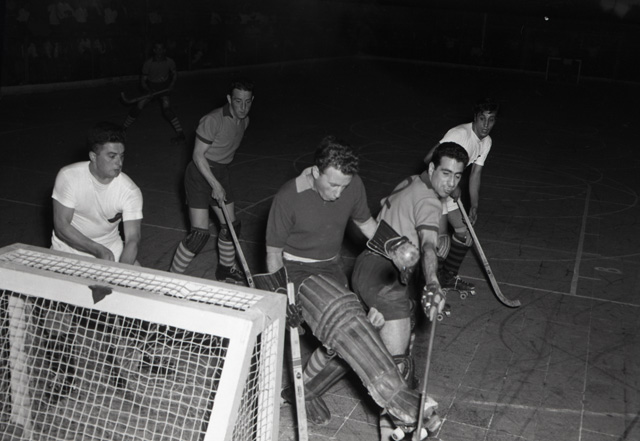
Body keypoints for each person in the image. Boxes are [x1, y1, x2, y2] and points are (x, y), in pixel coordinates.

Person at [265, 136, 439, 435]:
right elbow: (272, 254)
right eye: (333, 185)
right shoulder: (288, 196)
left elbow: (367, 224)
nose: (338, 193)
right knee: (345, 319)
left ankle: (303, 392)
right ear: (316, 172)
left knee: (350, 341)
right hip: (296, 269)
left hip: (331, 266)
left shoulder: (352, 184)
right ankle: (401, 401)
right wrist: (283, 295)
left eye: (344, 186)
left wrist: (393, 246)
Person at [352, 142, 469, 438]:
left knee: (358, 345)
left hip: (367, 267)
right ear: (432, 168)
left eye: (457, 176)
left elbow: (386, 209)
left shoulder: (412, 182)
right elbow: (428, 246)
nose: (451, 183)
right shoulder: (430, 202)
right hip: (386, 277)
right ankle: (401, 427)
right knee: (398, 366)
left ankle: (304, 391)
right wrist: (433, 282)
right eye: (446, 173)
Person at [169, 78, 254, 283]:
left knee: (231, 227)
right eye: (238, 101)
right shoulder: (213, 120)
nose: (242, 107)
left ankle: (225, 269)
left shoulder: (245, 121)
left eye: (247, 102)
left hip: (221, 172)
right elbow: (198, 155)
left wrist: (219, 180)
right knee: (199, 235)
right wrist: (214, 184)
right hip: (200, 174)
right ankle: (171, 279)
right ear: (229, 99)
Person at [423, 98, 499, 294]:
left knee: (465, 235)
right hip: (433, 188)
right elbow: (428, 159)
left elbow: (475, 174)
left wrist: (474, 204)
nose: (485, 125)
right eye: (482, 119)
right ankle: (431, 290)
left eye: (491, 120)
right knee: (441, 242)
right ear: (475, 117)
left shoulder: (486, 142)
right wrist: (450, 183)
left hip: (449, 187)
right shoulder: (459, 135)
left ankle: (447, 277)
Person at [51, 121, 143, 265]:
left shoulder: (130, 191)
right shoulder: (69, 176)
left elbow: (133, 239)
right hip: (66, 251)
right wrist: (98, 250)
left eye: (121, 156)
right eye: (112, 156)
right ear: (93, 157)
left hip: (112, 253)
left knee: (138, 276)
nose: (119, 163)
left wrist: (121, 270)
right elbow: (61, 226)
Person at [122, 41, 186, 145]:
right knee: (138, 107)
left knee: (167, 110)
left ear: (164, 50)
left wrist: (171, 84)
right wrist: (148, 90)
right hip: (151, 87)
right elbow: (143, 81)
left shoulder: (170, 62)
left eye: (161, 49)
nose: (159, 51)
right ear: (154, 50)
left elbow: (174, 74)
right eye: (157, 49)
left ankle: (181, 134)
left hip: (164, 88)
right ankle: (123, 129)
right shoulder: (148, 63)